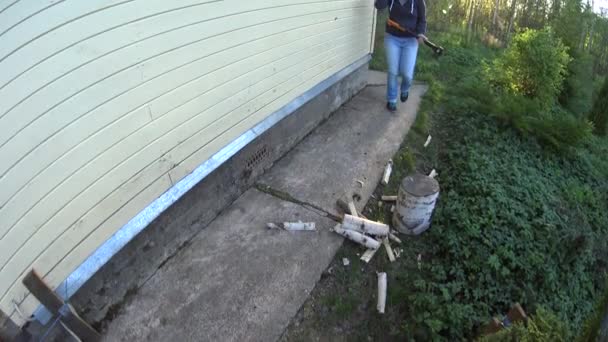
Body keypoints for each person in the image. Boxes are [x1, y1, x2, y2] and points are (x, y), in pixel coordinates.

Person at [374, 0, 427, 112]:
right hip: (392, 38)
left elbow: (422, 20)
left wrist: (421, 33)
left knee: (407, 74)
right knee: (393, 71)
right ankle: (392, 99)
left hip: (411, 40)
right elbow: (378, 5)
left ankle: (405, 88)